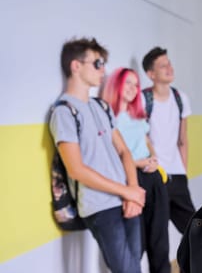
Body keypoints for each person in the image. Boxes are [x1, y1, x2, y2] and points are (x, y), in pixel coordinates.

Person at [49, 38, 145, 273]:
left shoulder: (100, 106)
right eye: (97, 63)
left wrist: (132, 192)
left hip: (126, 198)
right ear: (76, 66)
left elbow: (124, 151)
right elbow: (76, 170)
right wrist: (127, 191)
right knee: (127, 270)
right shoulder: (64, 112)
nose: (103, 69)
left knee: (134, 266)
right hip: (99, 205)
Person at [102, 67, 171, 273]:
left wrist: (153, 157)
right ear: (116, 85)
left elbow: (146, 139)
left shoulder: (137, 114)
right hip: (131, 180)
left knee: (160, 242)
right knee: (136, 245)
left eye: (135, 84)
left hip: (153, 178)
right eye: (128, 83)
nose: (133, 88)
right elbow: (116, 153)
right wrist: (140, 163)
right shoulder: (109, 117)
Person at [142, 47, 196, 234]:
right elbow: (140, 136)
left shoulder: (180, 98)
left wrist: (184, 170)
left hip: (177, 175)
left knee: (194, 231)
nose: (169, 68)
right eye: (163, 65)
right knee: (157, 234)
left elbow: (183, 139)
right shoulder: (142, 100)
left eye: (169, 63)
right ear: (151, 74)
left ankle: (195, 264)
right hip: (154, 175)